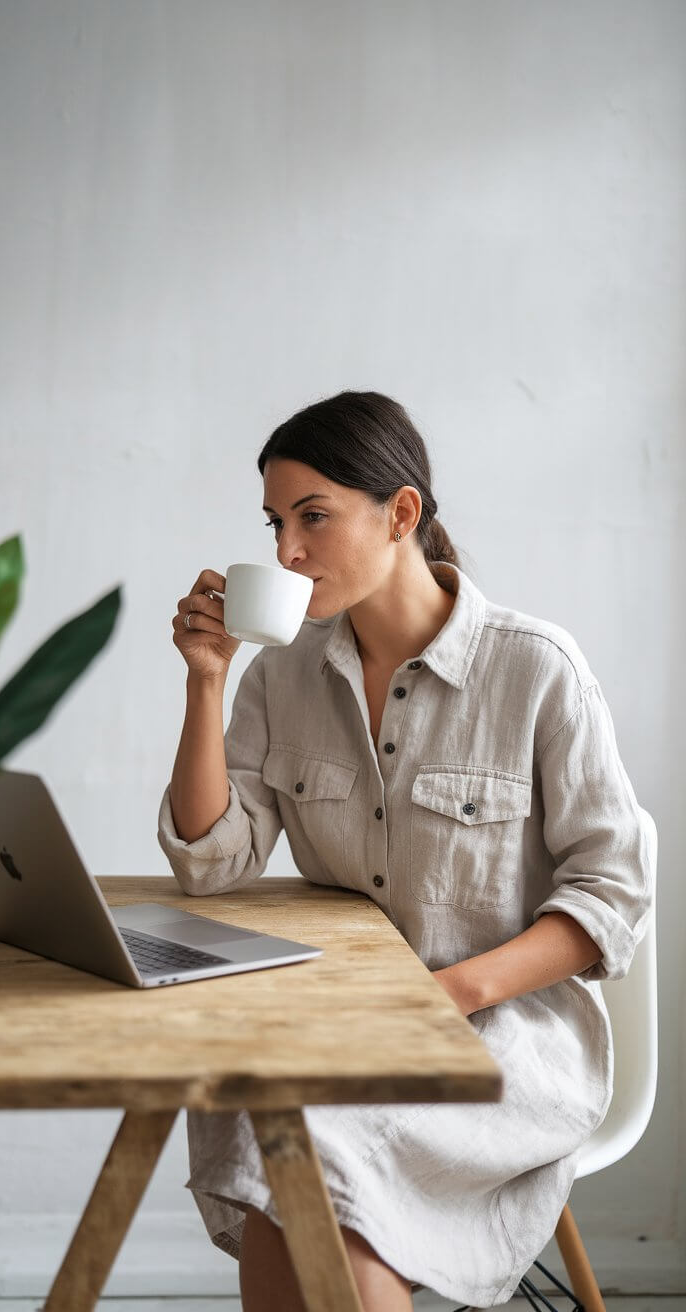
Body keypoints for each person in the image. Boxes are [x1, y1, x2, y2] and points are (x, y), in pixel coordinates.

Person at [157, 389, 653, 1312]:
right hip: (343, 1024)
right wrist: (206, 685)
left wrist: (447, 996)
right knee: (287, 1139)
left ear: (402, 512)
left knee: (310, 1149)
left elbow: (612, 898)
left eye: (313, 517)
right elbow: (211, 863)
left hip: (504, 1036)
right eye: (274, 524)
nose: (286, 554)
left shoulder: (536, 669)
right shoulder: (282, 675)